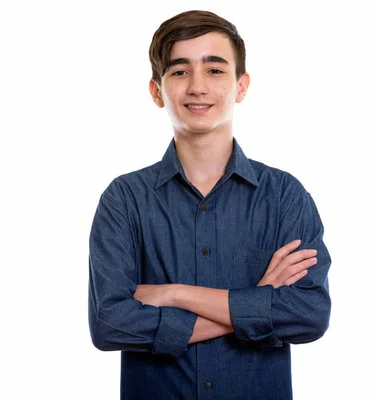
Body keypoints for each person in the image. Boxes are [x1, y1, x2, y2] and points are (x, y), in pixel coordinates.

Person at [87, 9, 331, 400]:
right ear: (156, 91)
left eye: (215, 70)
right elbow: (110, 324)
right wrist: (259, 298)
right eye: (180, 71)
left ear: (241, 85)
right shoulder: (124, 199)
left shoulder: (285, 195)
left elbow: (308, 316)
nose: (198, 87)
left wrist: (173, 294)